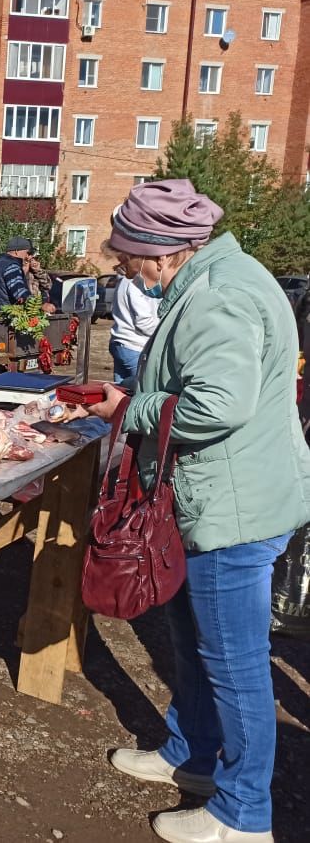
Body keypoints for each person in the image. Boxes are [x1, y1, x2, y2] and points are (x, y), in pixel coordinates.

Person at [76, 179, 310, 843]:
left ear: (161, 251)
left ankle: (243, 815)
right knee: (192, 635)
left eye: (127, 256)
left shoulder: (218, 297)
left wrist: (130, 410)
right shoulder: (221, 277)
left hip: (232, 506)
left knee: (233, 660)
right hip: (211, 496)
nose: (122, 267)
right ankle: (192, 752)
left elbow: (218, 405)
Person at [108, 265, 161, 383]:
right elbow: (144, 323)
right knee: (143, 389)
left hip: (121, 342)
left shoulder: (123, 282)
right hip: (134, 345)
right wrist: (165, 329)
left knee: (121, 392)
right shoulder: (136, 284)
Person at [0, 236, 56, 312]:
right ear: (16, 251)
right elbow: (19, 291)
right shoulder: (12, 266)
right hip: (8, 314)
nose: (27, 256)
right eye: (27, 252)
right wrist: (41, 305)